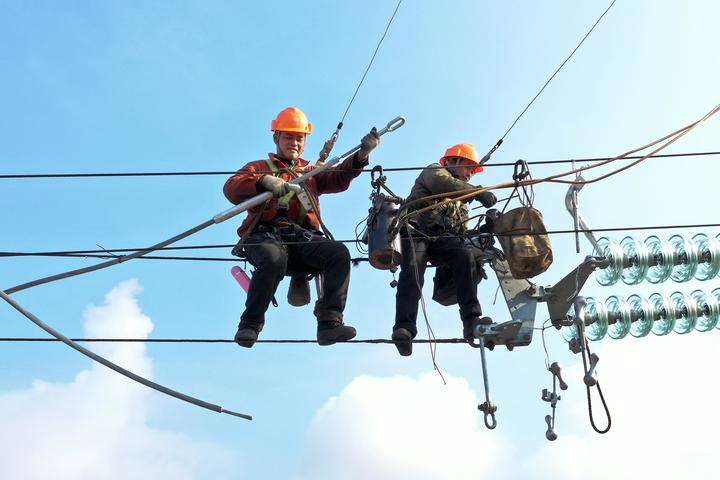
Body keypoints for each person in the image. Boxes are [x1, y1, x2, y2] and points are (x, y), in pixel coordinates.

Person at [223, 107, 379, 348]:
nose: (294, 143)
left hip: (301, 239)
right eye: (288, 137)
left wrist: (361, 156)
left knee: (338, 253)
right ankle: (250, 325)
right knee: (273, 259)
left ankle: (329, 324)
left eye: (299, 138)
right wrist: (262, 181)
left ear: (305, 142)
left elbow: (338, 177)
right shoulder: (259, 167)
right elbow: (232, 187)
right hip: (265, 236)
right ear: (277, 138)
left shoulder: (310, 172)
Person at [392, 143, 497, 356]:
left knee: (464, 256)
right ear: (452, 161)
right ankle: (404, 328)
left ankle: (471, 322)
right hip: (416, 232)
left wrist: (486, 230)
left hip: (442, 240)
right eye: (468, 167)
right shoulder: (434, 171)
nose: (470, 175)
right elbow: (443, 185)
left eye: (473, 172)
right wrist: (478, 193)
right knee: (413, 271)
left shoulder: (461, 204)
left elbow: (461, 234)